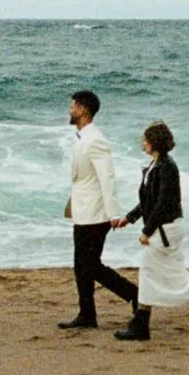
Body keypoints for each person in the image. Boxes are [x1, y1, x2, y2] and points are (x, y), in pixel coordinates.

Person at [112, 121, 189, 342]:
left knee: (164, 273)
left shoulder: (166, 167)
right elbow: (147, 202)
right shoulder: (156, 165)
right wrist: (128, 219)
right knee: (155, 272)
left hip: (165, 230)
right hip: (164, 228)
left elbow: (163, 204)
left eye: (146, 139)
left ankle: (143, 324)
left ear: (154, 142)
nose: (143, 143)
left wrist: (146, 231)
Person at [58, 90, 139, 330]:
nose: (70, 109)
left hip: (96, 214)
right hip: (83, 212)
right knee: (80, 266)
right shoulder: (83, 137)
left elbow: (107, 178)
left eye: (73, 105)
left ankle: (135, 294)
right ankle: (87, 315)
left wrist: (114, 213)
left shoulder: (96, 140)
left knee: (91, 266)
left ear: (83, 109)